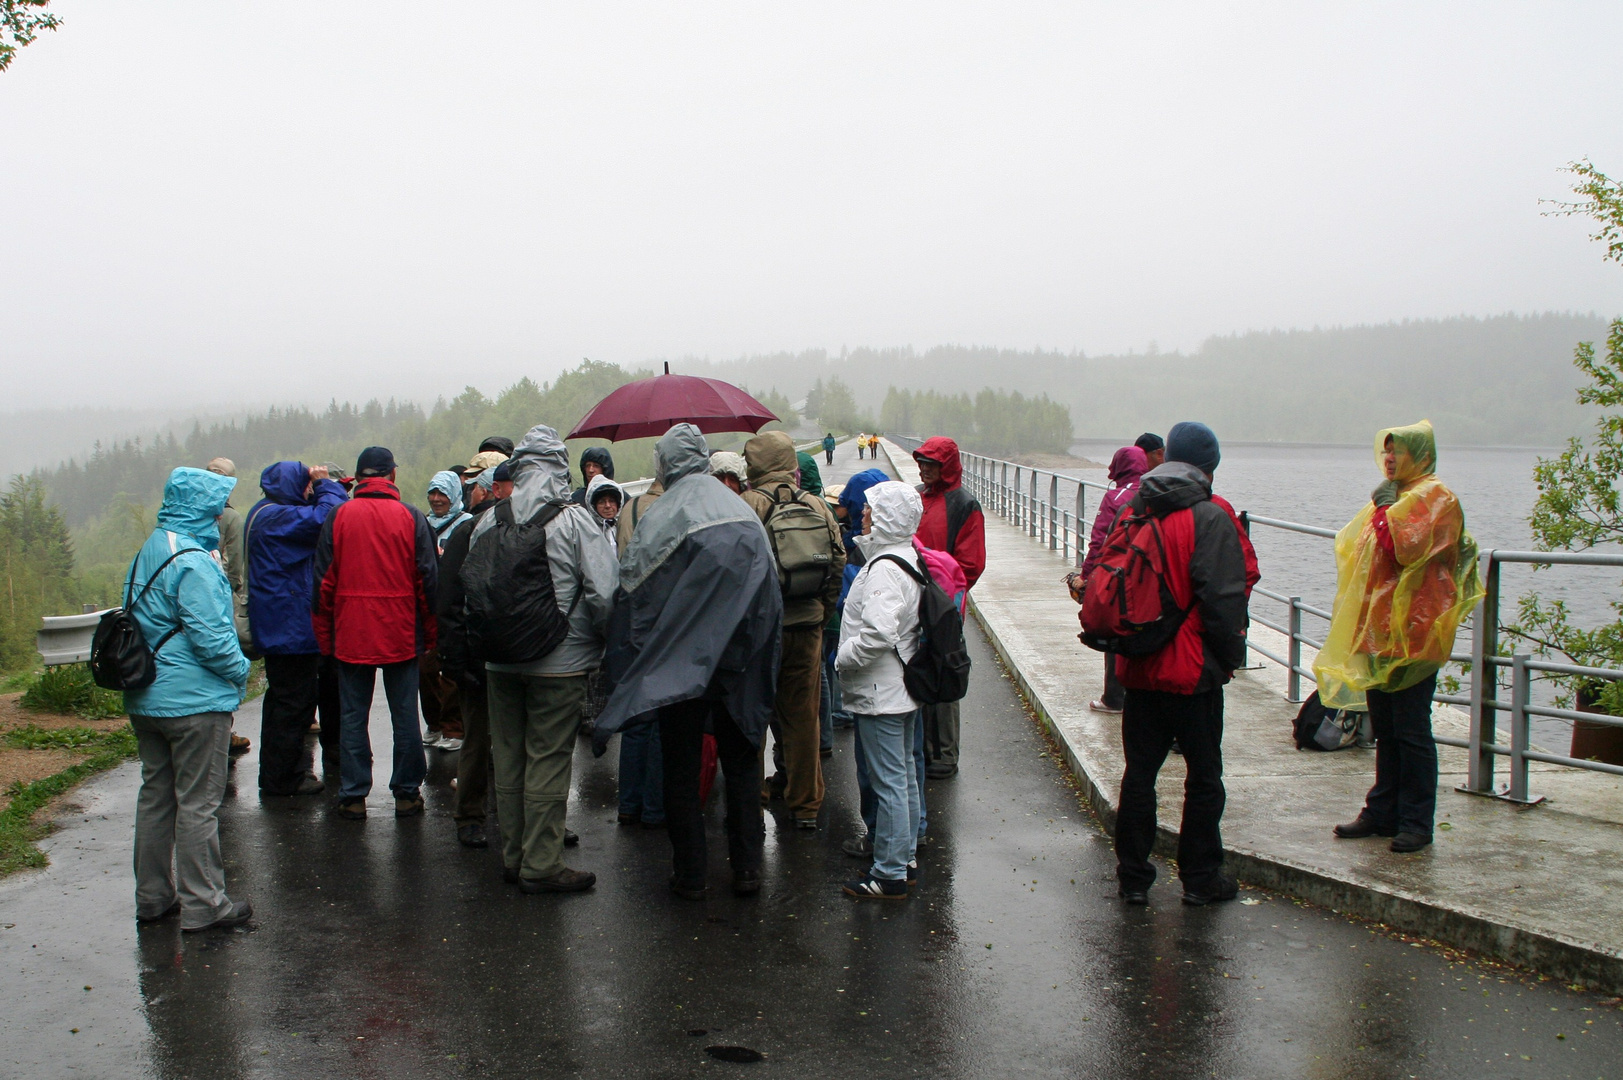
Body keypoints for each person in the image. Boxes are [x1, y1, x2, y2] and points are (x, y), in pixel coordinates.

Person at [593, 424, 782, 899]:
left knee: (679, 764)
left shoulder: (662, 517)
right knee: (742, 766)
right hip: (742, 659)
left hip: (682, 666)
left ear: (663, 464)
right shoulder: (742, 513)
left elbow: (634, 592)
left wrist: (630, 663)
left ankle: (691, 873)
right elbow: (769, 595)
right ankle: (747, 869)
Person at [1317, 421, 1482, 854]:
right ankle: (1382, 812)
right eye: (1386, 452)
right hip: (1381, 632)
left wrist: (1387, 514)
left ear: (1419, 454)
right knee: (1386, 727)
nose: (1390, 460)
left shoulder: (1437, 498)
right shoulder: (1401, 497)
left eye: (1398, 453)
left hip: (1415, 633)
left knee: (1411, 729)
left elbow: (1407, 552)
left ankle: (1415, 821)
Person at [1112, 422, 1259, 907]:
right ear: (1209, 467)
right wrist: (1229, 657)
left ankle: (1133, 877)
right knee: (1203, 776)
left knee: (1139, 774)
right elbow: (1226, 597)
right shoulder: (1213, 515)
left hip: (1139, 666)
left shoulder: (1135, 508)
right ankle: (1200, 878)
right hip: (1193, 672)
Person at [472, 425, 618, 893]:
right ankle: (542, 864)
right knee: (549, 759)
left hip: (499, 659)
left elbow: (473, 585)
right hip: (560, 660)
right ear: (559, 466)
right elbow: (604, 593)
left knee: (510, 756)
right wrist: (603, 643)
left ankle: (514, 856)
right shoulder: (574, 520)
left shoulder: (489, 518)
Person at [126, 467, 254, 932]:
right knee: (198, 802)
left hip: (147, 694)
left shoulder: (151, 549)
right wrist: (241, 671)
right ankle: (205, 904)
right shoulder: (196, 561)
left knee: (156, 796)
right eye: (216, 503)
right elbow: (212, 639)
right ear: (201, 507)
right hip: (194, 701)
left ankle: (153, 897)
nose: (221, 512)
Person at [313, 446, 438, 821]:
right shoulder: (411, 517)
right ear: (392, 476)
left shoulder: (338, 516)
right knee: (405, 715)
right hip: (400, 630)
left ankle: (353, 794)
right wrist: (430, 634)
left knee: (353, 716)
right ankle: (406, 793)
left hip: (351, 632)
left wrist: (325, 637)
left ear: (359, 477)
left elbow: (322, 585)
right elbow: (428, 581)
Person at [743, 430, 846, 829]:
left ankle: (751, 799)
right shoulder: (817, 505)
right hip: (807, 626)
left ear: (754, 466)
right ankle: (805, 806)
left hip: (760, 632)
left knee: (752, 716)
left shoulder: (747, 505)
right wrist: (821, 611)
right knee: (803, 718)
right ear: (790, 463)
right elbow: (837, 561)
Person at [836, 481, 926, 899]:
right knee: (903, 778)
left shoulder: (884, 568)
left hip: (881, 691)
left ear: (887, 516)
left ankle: (888, 873)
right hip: (901, 687)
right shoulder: (908, 557)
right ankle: (901, 859)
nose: (864, 514)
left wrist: (843, 659)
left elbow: (876, 633)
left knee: (889, 782)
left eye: (871, 509)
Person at [244, 461, 348, 796]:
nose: (308, 490)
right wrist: (325, 484)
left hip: (283, 623)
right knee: (293, 705)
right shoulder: (276, 518)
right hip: (288, 627)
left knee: (284, 703)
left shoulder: (267, 511)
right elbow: (330, 518)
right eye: (304, 484)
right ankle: (283, 779)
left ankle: (279, 774)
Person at [912, 437, 985, 779]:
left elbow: (971, 563)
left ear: (947, 465)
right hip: (914, 596)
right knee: (919, 668)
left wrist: (941, 593)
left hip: (943, 603)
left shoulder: (963, 503)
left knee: (946, 670)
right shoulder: (917, 496)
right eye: (921, 461)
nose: (924, 467)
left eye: (931, 462)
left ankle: (943, 755)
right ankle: (924, 749)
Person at [440, 464, 498, 848]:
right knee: (477, 739)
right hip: (479, 656)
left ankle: (531, 820)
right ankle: (469, 814)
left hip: (510, 653)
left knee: (512, 741)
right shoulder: (469, 532)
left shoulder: (535, 526)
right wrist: (456, 659)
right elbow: (448, 600)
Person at [1081, 446, 1149, 715]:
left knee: (1116, 633)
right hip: (1148, 576)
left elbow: (1099, 540)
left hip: (1119, 576)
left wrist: (1087, 577)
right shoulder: (1153, 490)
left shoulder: (1116, 496)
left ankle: (1114, 698)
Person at [205, 457, 253, 762]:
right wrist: (236, 595)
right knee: (224, 662)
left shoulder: (189, 515)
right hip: (221, 600)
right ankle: (224, 731)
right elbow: (235, 567)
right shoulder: (232, 518)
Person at [421, 470, 472, 752]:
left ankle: (454, 727)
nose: (437, 499)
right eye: (433, 493)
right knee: (425, 670)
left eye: (443, 494)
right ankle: (434, 723)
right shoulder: (423, 523)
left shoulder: (466, 524)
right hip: (428, 608)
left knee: (451, 670)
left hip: (455, 607)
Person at [586, 474, 625, 549]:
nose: (607, 506)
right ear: (594, 506)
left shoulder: (625, 527)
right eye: (602, 502)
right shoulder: (588, 531)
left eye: (612, 501)